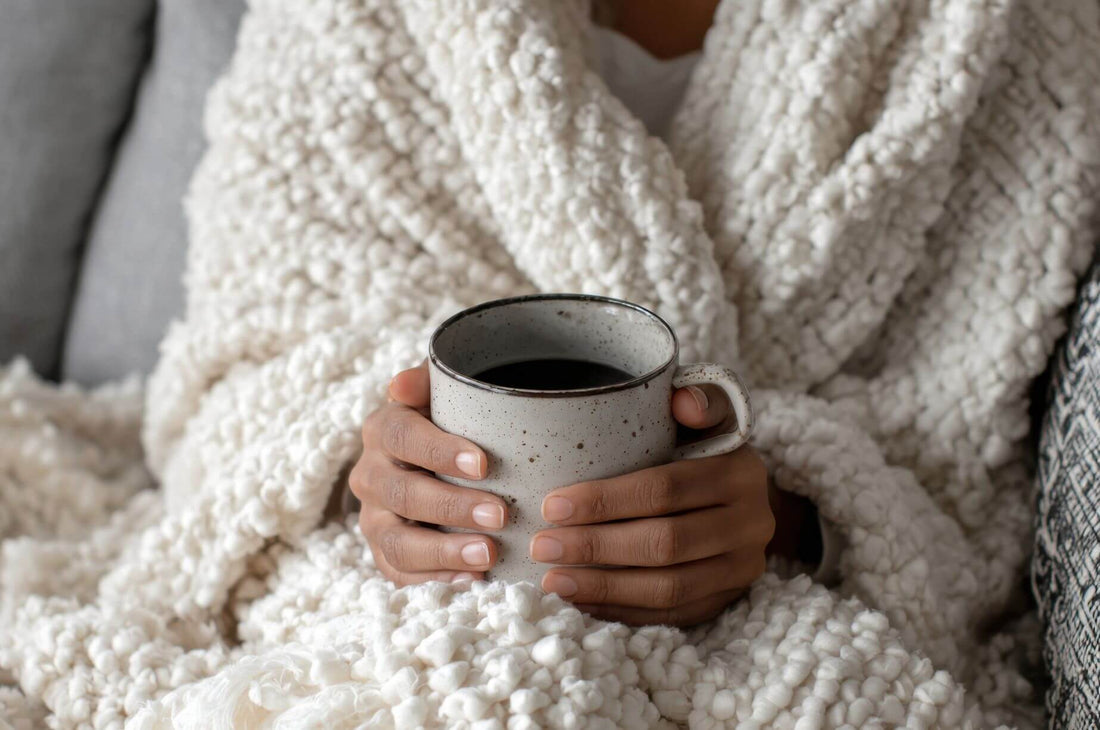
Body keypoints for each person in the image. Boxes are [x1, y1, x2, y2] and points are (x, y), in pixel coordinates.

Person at [347, 0, 818, 628]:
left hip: (759, 604)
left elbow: (974, 463)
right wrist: (376, 476)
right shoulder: (354, 18)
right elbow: (237, 362)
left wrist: (793, 517)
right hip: (448, 606)